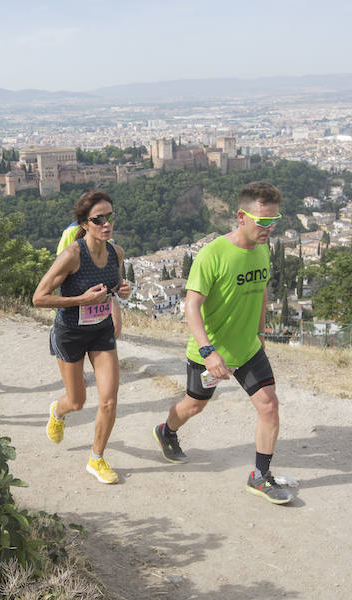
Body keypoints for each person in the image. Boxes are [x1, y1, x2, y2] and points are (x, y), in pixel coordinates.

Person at [152, 181, 293, 505]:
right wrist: (208, 351)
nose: (269, 228)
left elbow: (261, 290)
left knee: (269, 405)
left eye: (274, 221)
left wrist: (259, 331)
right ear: (241, 217)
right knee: (194, 405)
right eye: (263, 221)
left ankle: (260, 476)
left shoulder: (262, 250)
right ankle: (167, 431)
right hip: (210, 353)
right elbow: (191, 305)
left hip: (248, 350)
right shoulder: (212, 254)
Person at [32, 190, 131, 485]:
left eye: (109, 217)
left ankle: (97, 458)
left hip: (100, 332)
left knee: (109, 401)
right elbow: (39, 298)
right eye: (98, 219)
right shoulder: (72, 255)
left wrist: (120, 291)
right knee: (77, 401)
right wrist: (80, 300)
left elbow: (112, 287)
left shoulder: (117, 252)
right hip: (71, 333)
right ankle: (57, 411)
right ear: (85, 224)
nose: (106, 223)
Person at [57, 216, 124, 339]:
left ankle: (106, 347)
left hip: (102, 282)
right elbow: (60, 263)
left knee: (116, 325)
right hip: (79, 285)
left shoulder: (104, 227)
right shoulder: (70, 231)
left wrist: (120, 287)